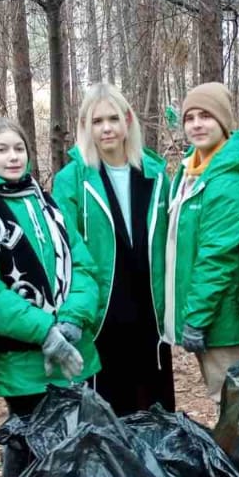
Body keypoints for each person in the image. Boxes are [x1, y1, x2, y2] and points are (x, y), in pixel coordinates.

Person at [0, 116, 100, 418]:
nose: (13, 157)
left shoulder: (50, 205)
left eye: (19, 149)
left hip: (75, 353)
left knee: (82, 442)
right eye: (2, 149)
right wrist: (45, 332)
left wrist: (72, 319)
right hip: (22, 368)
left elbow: (83, 267)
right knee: (32, 444)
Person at [52, 84, 174, 415]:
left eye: (113, 119)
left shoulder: (155, 175)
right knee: (109, 416)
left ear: (127, 120)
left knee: (155, 413)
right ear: (85, 126)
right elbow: (66, 252)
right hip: (102, 315)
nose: (106, 128)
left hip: (150, 314)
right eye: (97, 121)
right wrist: (75, 313)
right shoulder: (72, 179)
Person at [164, 82, 239, 400]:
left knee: (235, 406)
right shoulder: (192, 169)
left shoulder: (230, 178)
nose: (197, 124)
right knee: (225, 401)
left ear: (223, 122)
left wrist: (196, 318)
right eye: (190, 118)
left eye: (206, 116)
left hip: (219, 317)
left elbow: (217, 256)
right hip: (204, 310)